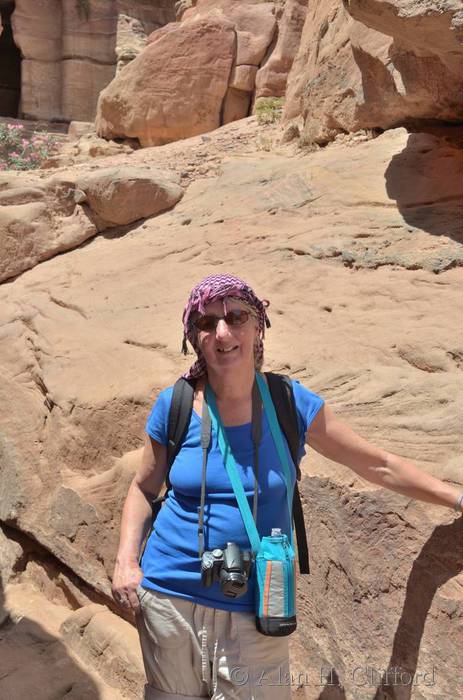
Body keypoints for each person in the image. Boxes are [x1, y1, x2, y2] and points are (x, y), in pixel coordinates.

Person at [112, 273, 463, 700]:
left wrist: (455, 496)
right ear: (194, 336)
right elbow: (143, 488)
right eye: (207, 323)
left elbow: (377, 464)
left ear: (258, 325)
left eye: (235, 317)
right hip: (170, 594)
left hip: (258, 601)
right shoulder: (177, 403)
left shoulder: (287, 403)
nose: (222, 333)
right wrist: (126, 560)